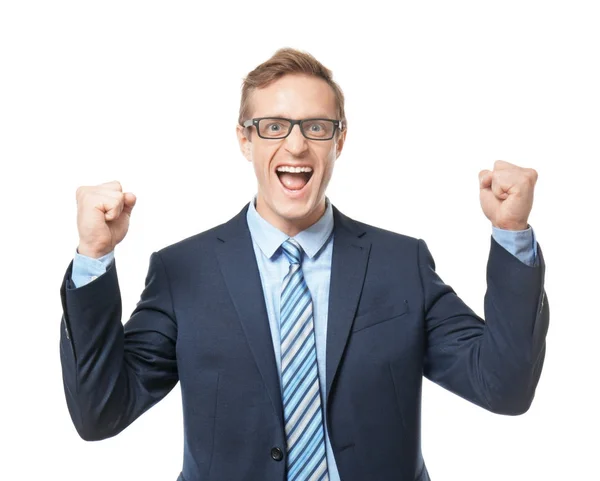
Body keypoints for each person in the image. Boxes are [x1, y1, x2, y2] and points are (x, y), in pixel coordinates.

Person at [59, 48, 549, 481]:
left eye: (316, 127)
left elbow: (503, 387)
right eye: (273, 127)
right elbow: (101, 412)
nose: (295, 146)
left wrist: (511, 232)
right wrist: (94, 255)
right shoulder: (183, 271)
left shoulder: (402, 264)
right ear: (245, 140)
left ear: (338, 141)